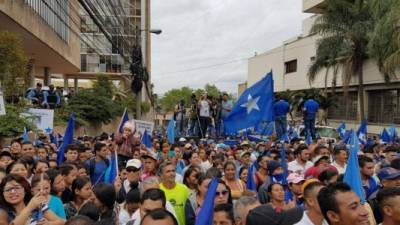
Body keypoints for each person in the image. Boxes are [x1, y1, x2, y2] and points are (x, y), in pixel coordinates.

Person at [0, 174, 64, 225]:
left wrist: (49, 223)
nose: (13, 192)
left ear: (25, 190)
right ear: (3, 193)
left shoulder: (38, 205)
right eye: (8, 189)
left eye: (17, 188)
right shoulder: (2, 212)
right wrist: (30, 207)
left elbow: (63, 222)